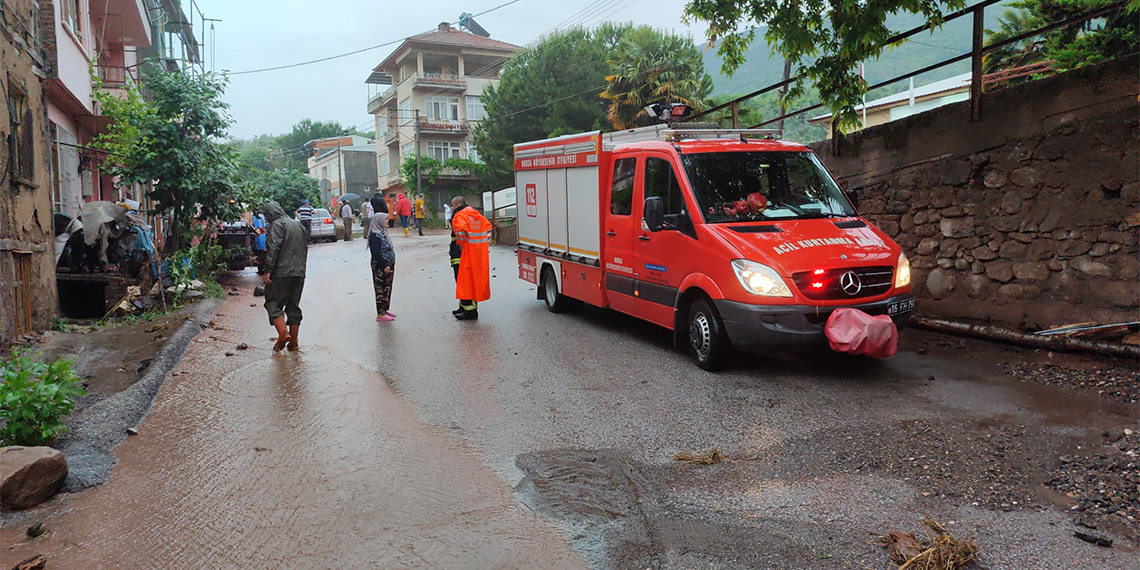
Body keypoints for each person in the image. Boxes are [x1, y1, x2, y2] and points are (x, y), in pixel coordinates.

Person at [262, 201, 308, 351]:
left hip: (281, 272)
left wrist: (268, 270)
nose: (266, 219)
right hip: (299, 272)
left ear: (270, 214)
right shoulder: (298, 225)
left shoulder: (276, 225)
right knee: (293, 306)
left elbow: (273, 248)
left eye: (266, 216)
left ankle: (283, 333)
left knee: (272, 302)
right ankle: (294, 342)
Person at [449, 196, 491, 320]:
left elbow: (461, 231)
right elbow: (488, 227)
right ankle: (463, 306)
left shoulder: (460, 215)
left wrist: (462, 244)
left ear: (458, 204)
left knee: (464, 281)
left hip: (462, 252)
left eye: (452, 205)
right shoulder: (475, 213)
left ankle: (470, 311)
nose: (451, 208)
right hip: (476, 252)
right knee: (468, 280)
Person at [367, 195, 397, 322]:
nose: (387, 221)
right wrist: (384, 265)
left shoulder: (382, 233)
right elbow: (376, 253)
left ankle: (385, 310)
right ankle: (380, 313)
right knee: (380, 288)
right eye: (385, 220)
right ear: (378, 221)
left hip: (388, 264)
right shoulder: (375, 236)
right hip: (381, 266)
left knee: (387, 287)